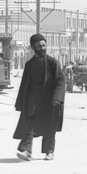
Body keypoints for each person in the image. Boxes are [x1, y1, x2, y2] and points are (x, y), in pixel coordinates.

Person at [13, 33, 65, 161]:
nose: (42, 48)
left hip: (50, 99)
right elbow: (25, 83)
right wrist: (20, 103)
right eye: (39, 46)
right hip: (33, 99)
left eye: (43, 45)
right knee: (29, 123)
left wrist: (57, 98)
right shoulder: (29, 64)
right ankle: (27, 151)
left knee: (49, 125)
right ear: (33, 47)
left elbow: (60, 81)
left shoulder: (53, 63)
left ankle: (49, 152)